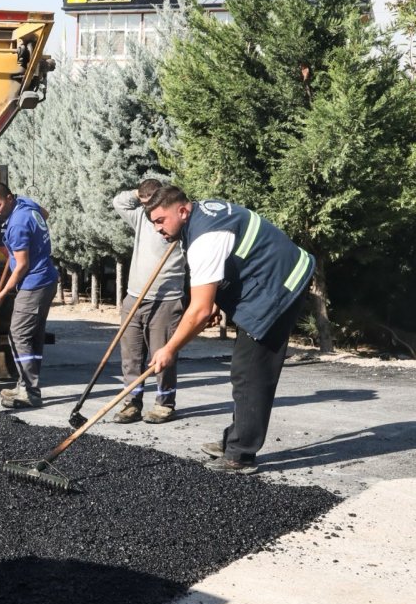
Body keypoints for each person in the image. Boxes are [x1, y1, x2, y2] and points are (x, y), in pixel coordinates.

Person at [145, 186, 315, 474]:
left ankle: (240, 454)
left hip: (279, 287)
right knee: (245, 369)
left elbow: (198, 310)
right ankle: (235, 439)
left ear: (182, 211)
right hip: (272, 279)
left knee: (249, 371)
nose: (158, 229)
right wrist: (215, 304)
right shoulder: (202, 215)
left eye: (161, 220)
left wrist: (170, 348)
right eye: (154, 223)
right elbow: (228, 263)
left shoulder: (205, 238)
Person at [111, 179, 187, 424]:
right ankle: (131, 402)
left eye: (152, 204)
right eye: (145, 204)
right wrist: (139, 194)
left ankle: (164, 404)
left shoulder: (179, 227)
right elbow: (118, 202)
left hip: (166, 300)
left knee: (160, 355)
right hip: (134, 297)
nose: (148, 211)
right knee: (131, 356)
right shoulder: (142, 219)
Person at [0, 183, 59, 409]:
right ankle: (26, 385)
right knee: (33, 336)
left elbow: (22, 265)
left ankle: (29, 391)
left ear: (8, 199)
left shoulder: (17, 224)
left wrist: (3, 292)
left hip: (34, 283)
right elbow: (44, 213)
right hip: (47, 279)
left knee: (18, 335)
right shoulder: (26, 204)